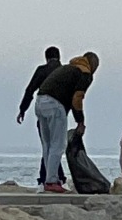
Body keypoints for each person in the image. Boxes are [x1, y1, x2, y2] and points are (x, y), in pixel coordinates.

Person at [34, 52, 99, 192]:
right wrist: (80, 121)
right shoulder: (85, 73)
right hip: (54, 104)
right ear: (93, 64)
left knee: (48, 144)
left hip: (39, 102)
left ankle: (49, 180)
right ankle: (51, 182)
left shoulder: (68, 68)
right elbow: (77, 98)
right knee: (58, 144)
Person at [17, 45, 64, 186]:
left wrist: (22, 109)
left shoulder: (41, 70)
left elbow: (30, 89)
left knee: (47, 145)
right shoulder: (63, 71)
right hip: (58, 110)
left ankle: (46, 178)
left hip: (42, 110)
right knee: (56, 146)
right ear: (59, 57)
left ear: (46, 58)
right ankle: (53, 178)